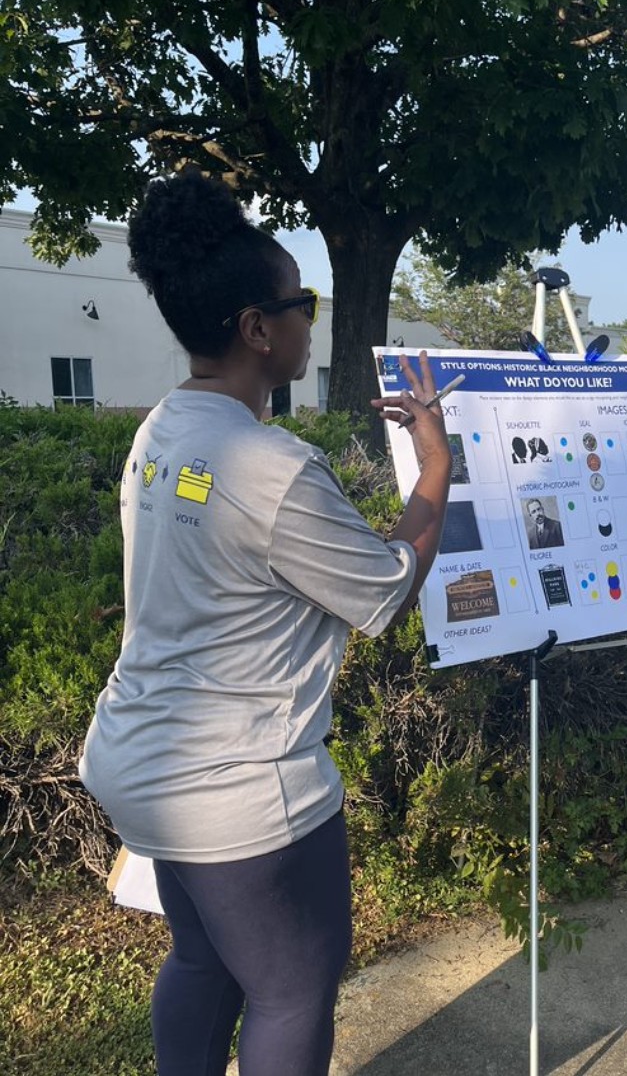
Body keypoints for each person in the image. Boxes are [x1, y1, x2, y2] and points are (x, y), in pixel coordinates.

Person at [78, 169, 451, 1076]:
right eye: (302, 302)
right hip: (242, 791)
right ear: (257, 328)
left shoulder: (162, 431)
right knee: (291, 990)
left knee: (203, 960)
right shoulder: (269, 464)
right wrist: (434, 466)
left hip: (146, 761)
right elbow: (389, 587)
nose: (310, 318)